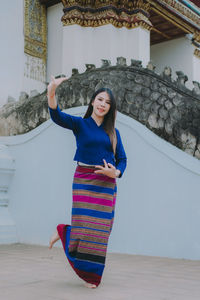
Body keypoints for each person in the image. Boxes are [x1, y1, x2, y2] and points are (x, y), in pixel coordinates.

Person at [47, 76, 127, 288]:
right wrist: (52, 92)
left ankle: (64, 232)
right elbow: (56, 116)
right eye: (100, 99)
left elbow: (123, 160)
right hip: (84, 180)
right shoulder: (80, 124)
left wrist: (116, 173)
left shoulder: (114, 133)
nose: (103, 104)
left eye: (108, 102)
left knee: (102, 229)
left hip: (107, 184)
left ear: (110, 108)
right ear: (92, 101)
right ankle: (90, 276)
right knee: (85, 226)